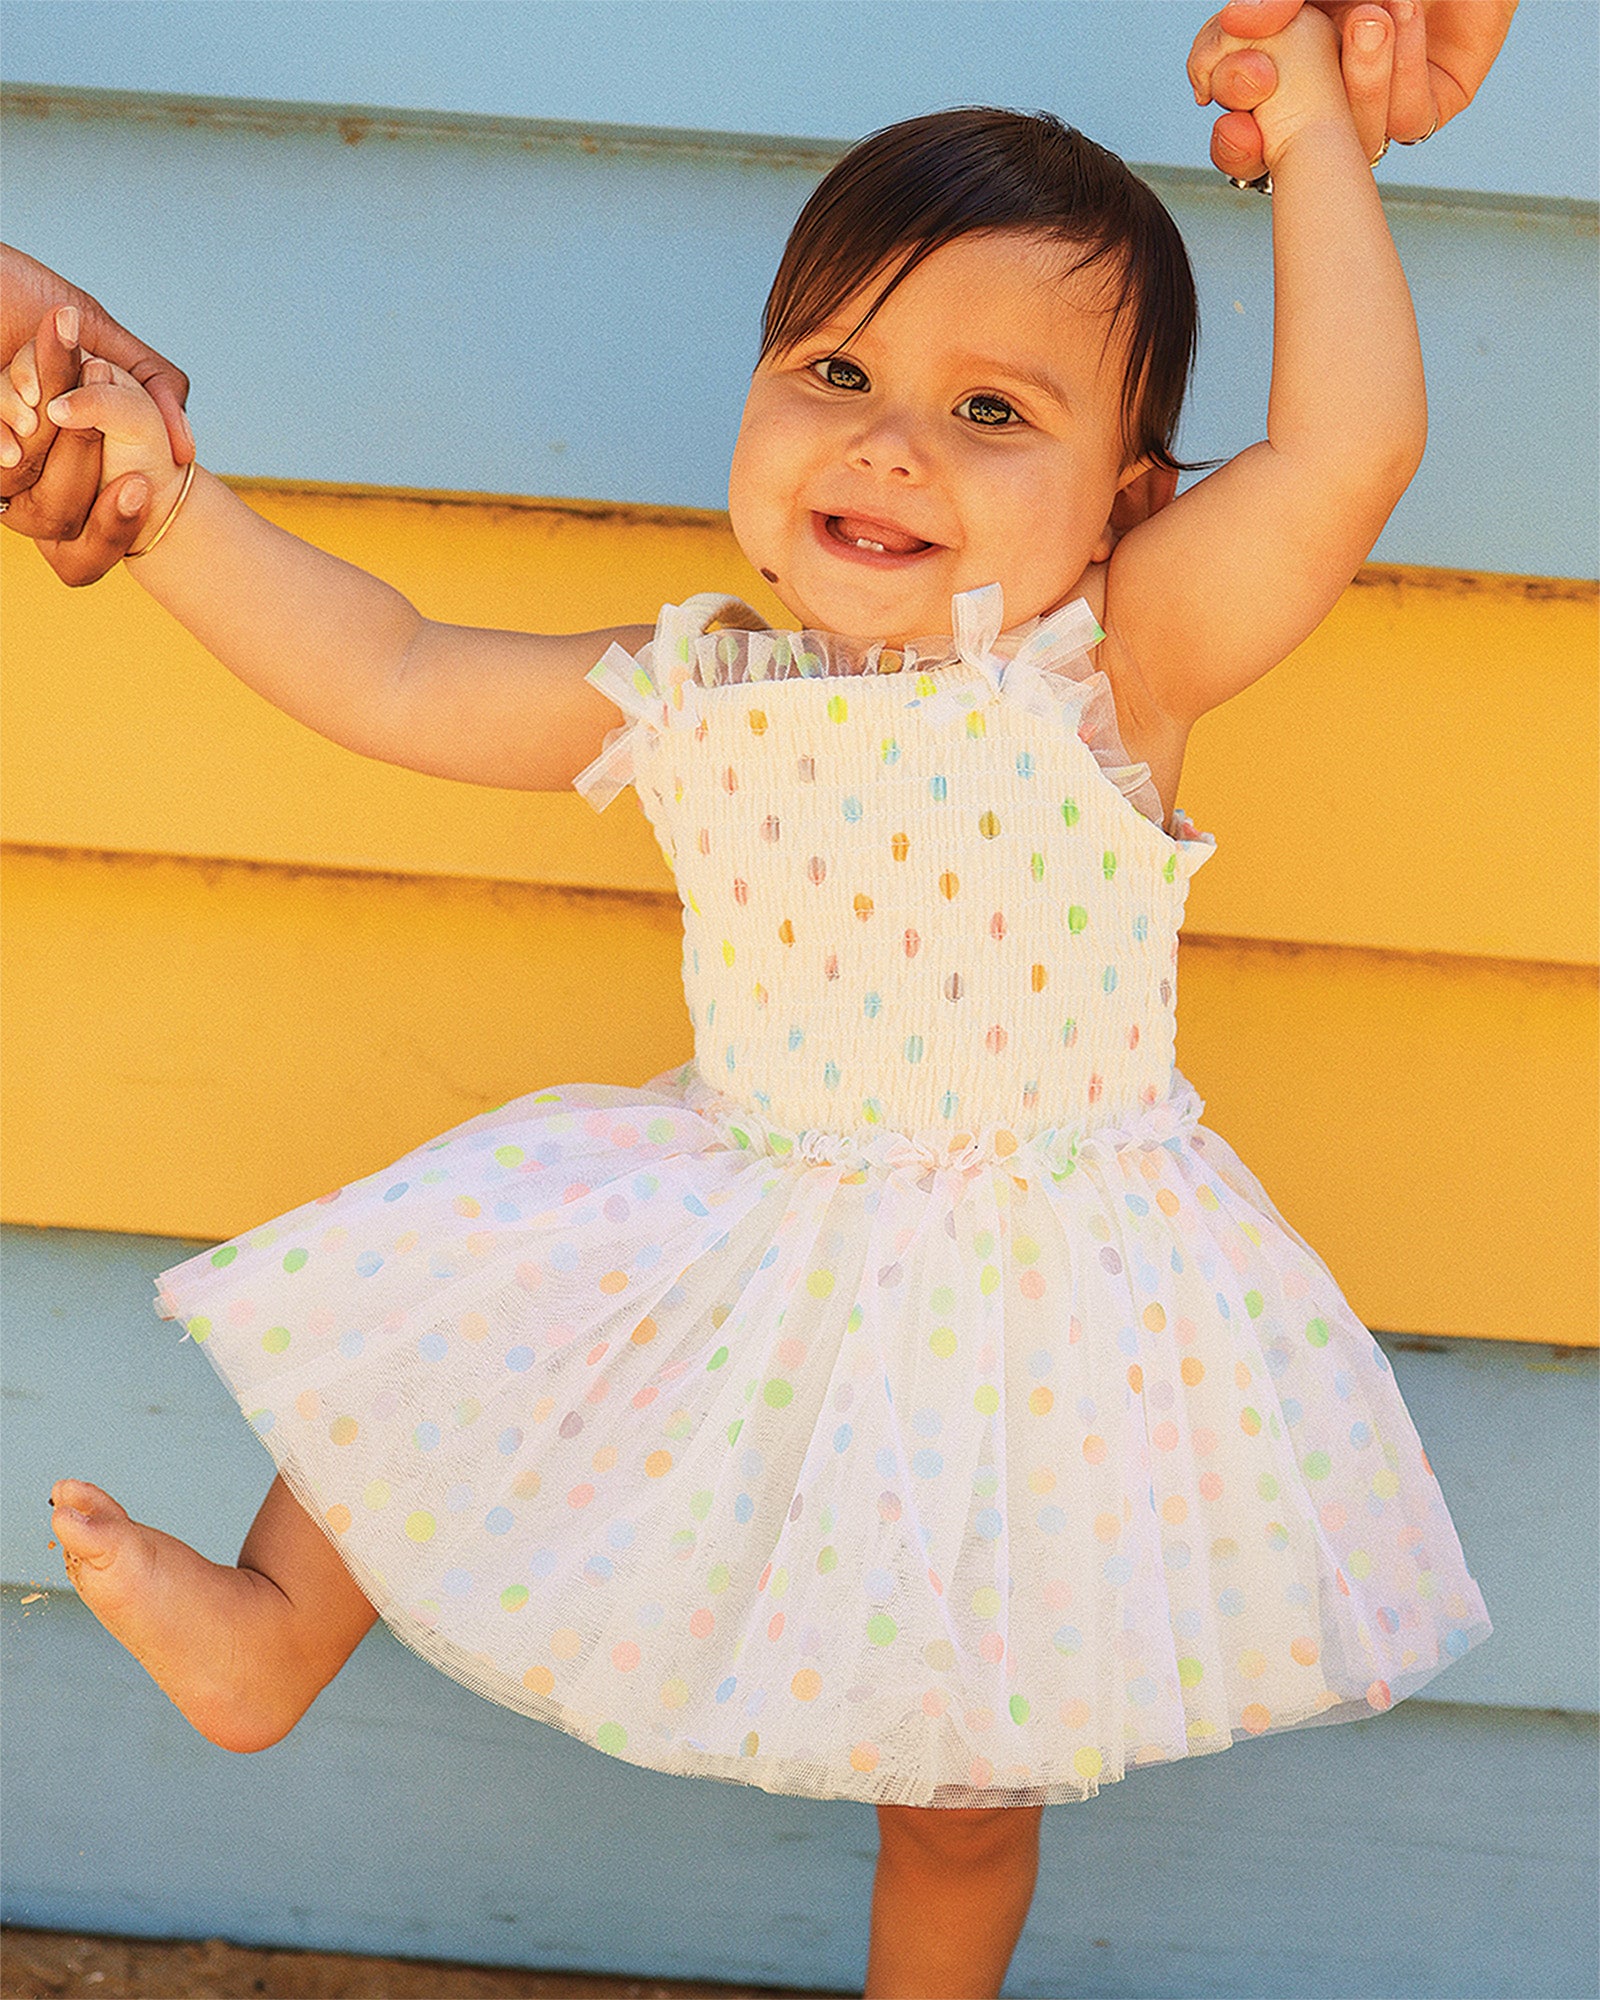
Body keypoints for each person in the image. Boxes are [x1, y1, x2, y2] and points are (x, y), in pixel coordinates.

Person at [17, 11, 1493, 1997]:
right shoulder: (694, 681)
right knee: (488, 1291)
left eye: (993, 413)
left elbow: (1346, 449)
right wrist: (172, 513)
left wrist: (1311, 129)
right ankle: (277, 1632)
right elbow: (385, 670)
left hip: (1021, 1310)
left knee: (964, 1792)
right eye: (836, 371)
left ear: (1129, 501)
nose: (886, 440)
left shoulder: (1114, 666)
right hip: (752, 1201)